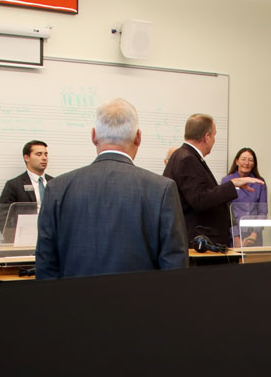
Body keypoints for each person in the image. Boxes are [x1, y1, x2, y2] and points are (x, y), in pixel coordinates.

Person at [36, 99, 187, 279]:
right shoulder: (162, 189)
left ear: (94, 136)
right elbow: (175, 268)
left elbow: (46, 266)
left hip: (73, 305)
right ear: (138, 137)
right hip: (141, 304)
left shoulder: (57, 188)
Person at [164, 113, 263, 248]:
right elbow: (200, 199)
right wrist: (232, 184)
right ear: (207, 136)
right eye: (214, 135)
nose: (214, 140)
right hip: (198, 243)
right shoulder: (188, 159)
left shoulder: (183, 155)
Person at [0, 140, 52, 232]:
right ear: (27, 158)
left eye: (46, 154)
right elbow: (2, 218)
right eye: (39, 154)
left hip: (53, 238)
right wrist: (15, 239)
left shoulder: (55, 183)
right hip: (27, 239)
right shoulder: (14, 185)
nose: (44, 158)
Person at [220, 147, 266, 246]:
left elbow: (263, 211)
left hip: (254, 235)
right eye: (243, 159)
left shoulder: (259, 182)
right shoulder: (227, 181)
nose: (247, 163)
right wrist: (236, 237)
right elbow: (226, 211)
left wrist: (254, 235)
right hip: (234, 234)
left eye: (250, 160)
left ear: (254, 164)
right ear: (237, 161)